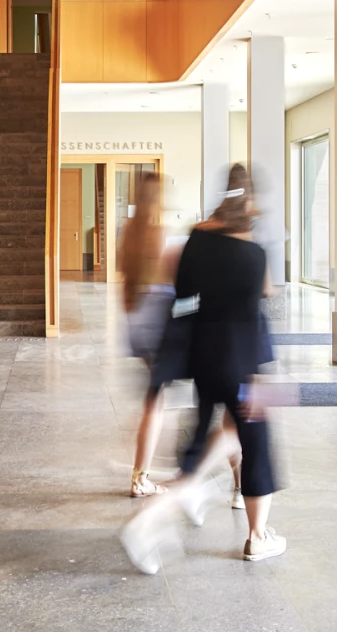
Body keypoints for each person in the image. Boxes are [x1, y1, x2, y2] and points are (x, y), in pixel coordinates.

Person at [119, 165, 284, 571]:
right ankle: (257, 535)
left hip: (203, 356)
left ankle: (179, 497)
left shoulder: (196, 240)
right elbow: (264, 295)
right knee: (257, 443)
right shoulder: (254, 253)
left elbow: (183, 295)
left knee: (210, 439)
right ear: (249, 200)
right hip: (245, 360)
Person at [118, 172, 176, 497]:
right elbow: (167, 280)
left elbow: (127, 277)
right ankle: (140, 477)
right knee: (155, 402)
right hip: (156, 322)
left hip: (136, 320)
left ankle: (142, 470)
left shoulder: (129, 230)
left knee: (155, 398)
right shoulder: (156, 232)